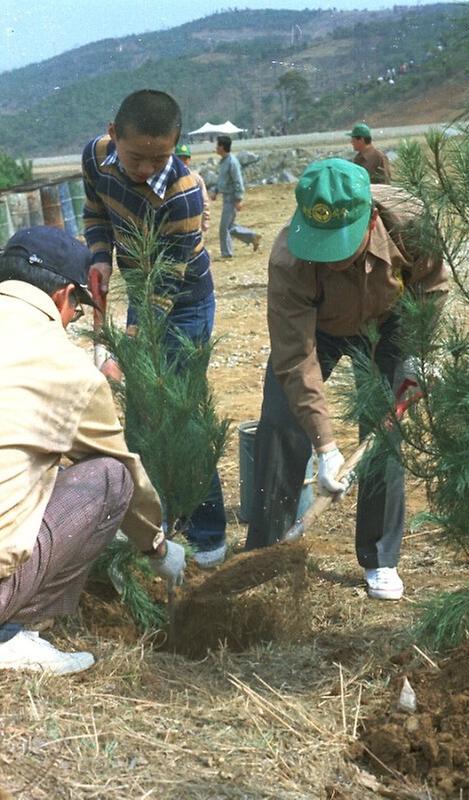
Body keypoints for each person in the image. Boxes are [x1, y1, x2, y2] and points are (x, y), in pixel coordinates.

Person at [245, 158, 448, 600]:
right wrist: (326, 448)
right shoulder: (289, 260)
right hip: (319, 328)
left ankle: (379, 557)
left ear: (369, 218)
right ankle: (264, 554)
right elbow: (296, 357)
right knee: (281, 422)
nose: (331, 262)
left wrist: (417, 349)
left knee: (384, 430)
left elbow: (430, 285)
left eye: (340, 247)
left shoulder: (408, 221)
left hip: (390, 322)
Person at [0, 227, 185, 675]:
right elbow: (120, 465)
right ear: (63, 295)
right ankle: (10, 636)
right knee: (109, 476)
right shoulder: (67, 368)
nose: (72, 319)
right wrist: (157, 545)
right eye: (77, 309)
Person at [82, 89, 227, 568]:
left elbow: (162, 288)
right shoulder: (97, 159)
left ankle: (208, 534)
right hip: (143, 294)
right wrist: (100, 259)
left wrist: (127, 348)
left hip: (183, 304)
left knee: (182, 413)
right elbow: (97, 213)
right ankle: (157, 526)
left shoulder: (184, 194)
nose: (146, 169)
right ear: (112, 135)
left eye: (158, 157)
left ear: (176, 143)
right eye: (136, 156)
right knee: (142, 417)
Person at [209, 134, 261, 258]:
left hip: (231, 199)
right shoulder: (224, 162)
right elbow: (222, 180)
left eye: (217, 145)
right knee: (230, 226)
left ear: (222, 147)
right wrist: (216, 191)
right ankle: (252, 237)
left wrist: (238, 199)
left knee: (224, 228)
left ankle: (227, 254)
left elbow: (238, 181)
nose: (216, 147)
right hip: (226, 197)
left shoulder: (232, 162)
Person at [176, 142, 211, 233]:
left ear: (189, 159)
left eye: (185, 158)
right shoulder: (170, 180)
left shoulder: (196, 179)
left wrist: (205, 220)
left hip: (195, 222)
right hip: (177, 224)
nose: (182, 161)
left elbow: (205, 201)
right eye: (179, 158)